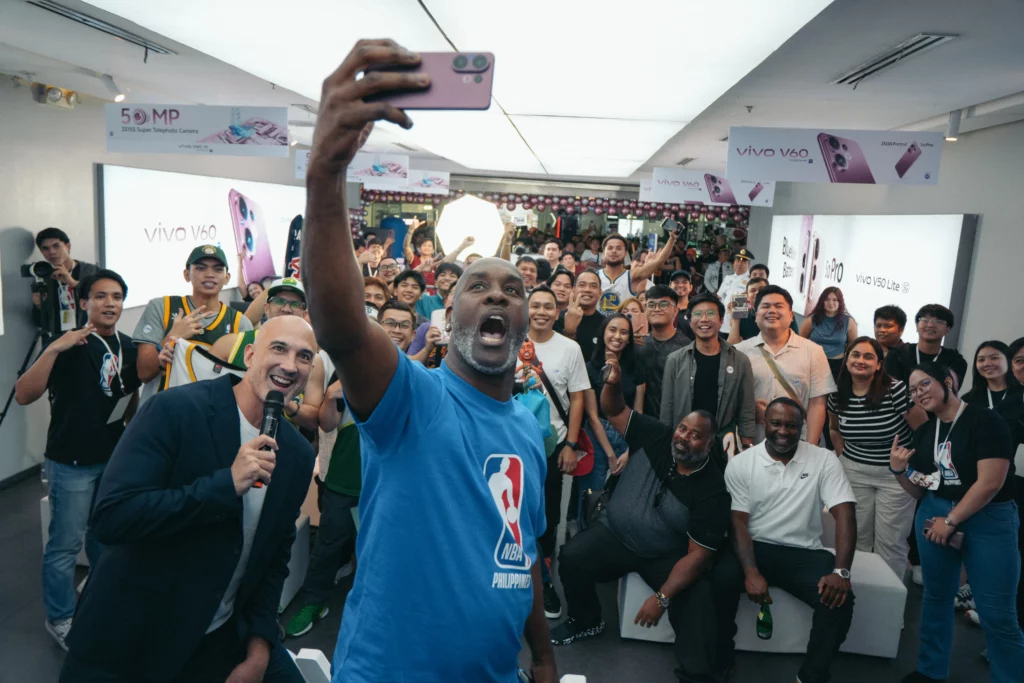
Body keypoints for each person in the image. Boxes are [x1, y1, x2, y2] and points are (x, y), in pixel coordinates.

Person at [301, 40, 557, 682]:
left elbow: (520, 555)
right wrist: (324, 176)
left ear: (524, 322)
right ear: (448, 315)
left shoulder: (529, 427)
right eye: (478, 286)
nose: (498, 294)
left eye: (513, 290)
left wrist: (546, 657)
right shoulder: (413, 397)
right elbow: (340, 324)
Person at [59, 315, 317, 683]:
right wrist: (225, 485)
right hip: (128, 641)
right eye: (279, 348)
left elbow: (273, 558)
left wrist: (260, 647)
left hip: (215, 639)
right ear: (249, 355)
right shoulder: (176, 410)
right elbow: (112, 517)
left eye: (304, 356)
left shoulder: (296, 455)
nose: (290, 365)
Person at [553, 360, 729, 682]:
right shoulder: (658, 436)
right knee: (572, 556)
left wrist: (662, 598)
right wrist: (613, 384)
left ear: (709, 444)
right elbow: (613, 410)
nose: (684, 438)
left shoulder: (713, 490)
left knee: (697, 600)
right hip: (615, 534)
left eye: (695, 436)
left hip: (664, 556)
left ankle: (696, 674)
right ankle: (586, 619)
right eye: (683, 429)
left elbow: (698, 556)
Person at [14, 269, 140, 650]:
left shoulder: (129, 345)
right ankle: (60, 617)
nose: (109, 304)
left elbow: (129, 396)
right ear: (83, 302)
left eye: (116, 297)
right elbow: (23, 394)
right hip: (72, 461)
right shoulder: (65, 345)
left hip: (113, 457)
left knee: (106, 537)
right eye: (100, 296)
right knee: (65, 545)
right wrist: (53, 349)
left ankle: (98, 600)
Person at [891, 362, 1024, 683]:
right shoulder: (926, 431)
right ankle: (930, 671)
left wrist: (950, 520)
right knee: (936, 597)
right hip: (935, 511)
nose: (918, 393)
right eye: (912, 389)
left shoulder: (986, 421)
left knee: (997, 614)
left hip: (988, 517)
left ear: (948, 382)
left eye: (924, 384)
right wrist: (897, 470)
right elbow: (920, 488)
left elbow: (990, 483)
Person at [713, 398, 857, 683]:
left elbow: (845, 514)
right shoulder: (742, 463)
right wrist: (751, 572)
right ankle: (720, 659)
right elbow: (737, 522)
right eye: (776, 423)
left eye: (791, 425)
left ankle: (812, 675)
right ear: (764, 424)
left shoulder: (823, 459)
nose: (783, 431)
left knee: (840, 599)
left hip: (804, 552)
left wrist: (841, 572)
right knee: (717, 580)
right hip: (754, 547)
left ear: (801, 427)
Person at [525, 286, 615, 620]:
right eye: (535, 306)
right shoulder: (510, 339)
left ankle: (545, 583)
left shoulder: (569, 348)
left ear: (558, 311)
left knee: (546, 516)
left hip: (552, 445)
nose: (542, 312)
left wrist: (571, 444)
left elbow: (578, 397)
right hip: (511, 445)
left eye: (549, 306)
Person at [826, 337, 915, 579]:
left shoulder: (895, 389)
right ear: (847, 359)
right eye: (855, 355)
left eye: (868, 356)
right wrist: (843, 455)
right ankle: (863, 597)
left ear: (878, 364)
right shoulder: (837, 394)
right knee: (858, 540)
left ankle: (891, 605)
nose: (860, 360)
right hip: (854, 472)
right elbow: (834, 429)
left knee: (891, 543)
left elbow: (921, 427)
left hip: (895, 476)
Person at [210, 277, 324, 432]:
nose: (286, 308)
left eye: (295, 304)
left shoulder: (312, 360)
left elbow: (313, 421)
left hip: (279, 444)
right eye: (279, 301)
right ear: (266, 307)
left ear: (304, 313)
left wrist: (283, 399)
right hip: (226, 432)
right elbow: (203, 392)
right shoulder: (232, 344)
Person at [133, 245, 251, 393]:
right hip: (161, 410)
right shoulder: (162, 307)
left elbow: (245, 383)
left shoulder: (239, 323)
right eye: (201, 268)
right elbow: (143, 373)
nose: (209, 274)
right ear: (186, 274)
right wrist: (172, 337)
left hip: (210, 411)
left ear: (227, 278)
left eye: (218, 269)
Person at [661, 294, 756, 465]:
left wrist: (747, 446)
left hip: (723, 443)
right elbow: (667, 409)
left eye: (711, 314)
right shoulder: (675, 360)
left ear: (721, 320)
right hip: (684, 443)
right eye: (697, 314)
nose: (704, 319)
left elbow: (746, 408)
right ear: (690, 322)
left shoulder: (740, 360)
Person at [735, 285, 836, 443]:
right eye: (765, 306)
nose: (772, 311)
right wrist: (749, 410)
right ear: (755, 315)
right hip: (754, 443)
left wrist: (810, 447)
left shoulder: (813, 351)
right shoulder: (739, 352)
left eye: (779, 306)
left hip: (799, 441)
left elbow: (817, 403)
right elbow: (732, 399)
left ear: (790, 315)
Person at [32, 227, 99, 339]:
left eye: (56, 246)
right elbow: (40, 323)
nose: (51, 252)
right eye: (45, 248)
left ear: (68, 247)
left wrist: (72, 282)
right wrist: (38, 306)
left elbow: (100, 300)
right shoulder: (43, 276)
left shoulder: (91, 271)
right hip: (58, 340)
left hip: (89, 336)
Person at [637, 285, 692, 418]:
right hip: (645, 420)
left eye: (663, 304)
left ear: (675, 311)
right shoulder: (639, 344)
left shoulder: (686, 347)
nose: (656, 309)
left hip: (677, 421)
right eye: (651, 305)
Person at [884, 304, 968, 389]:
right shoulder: (897, 355)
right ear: (917, 326)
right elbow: (890, 389)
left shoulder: (955, 361)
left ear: (948, 329)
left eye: (939, 321)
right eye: (925, 320)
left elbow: (949, 393)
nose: (930, 325)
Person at [597, 233, 677, 314]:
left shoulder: (632, 275)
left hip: (625, 325)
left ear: (625, 253)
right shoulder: (595, 277)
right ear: (603, 252)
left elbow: (658, 262)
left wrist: (671, 239)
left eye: (618, 248)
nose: (614, 251)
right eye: (610, 248)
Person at [800, 287, 859, 382]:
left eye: (835, 300)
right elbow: (801, 340)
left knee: (833, 395)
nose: (831, 303)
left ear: (840, 302)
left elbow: (853, 346)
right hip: (814, 364)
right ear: (822, 301)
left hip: (837, 366)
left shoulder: (849, 321)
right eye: (827, 299)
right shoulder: (812, 319)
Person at [555, 270, 606, 361]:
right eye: (582, 285)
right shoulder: (557, 318)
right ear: (573, 290)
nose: (587, 289)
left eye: (593, 286)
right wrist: (570, 331)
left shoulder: (606, 324)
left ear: (600, 292)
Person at [962, 340, 1022, 409]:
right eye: (981, 360)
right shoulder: (968, 400)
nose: (987, 364)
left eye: (994, 358)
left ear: (1009, 360)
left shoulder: (1021, 395)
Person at [715, 248, 754, 337]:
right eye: (737, 261)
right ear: (733, 263)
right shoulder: (728, 278)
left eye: (743, 262)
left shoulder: (750, 281)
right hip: (723, 321)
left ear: (748, 265)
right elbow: (719, 297)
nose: (739, 264)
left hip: (738, 323)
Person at [669, 270, 695, 338]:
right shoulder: (663, 308)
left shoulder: (696, 308)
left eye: (684, 282)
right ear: (670, 286)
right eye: (676, 282)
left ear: (691, 287)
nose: (680, 285)